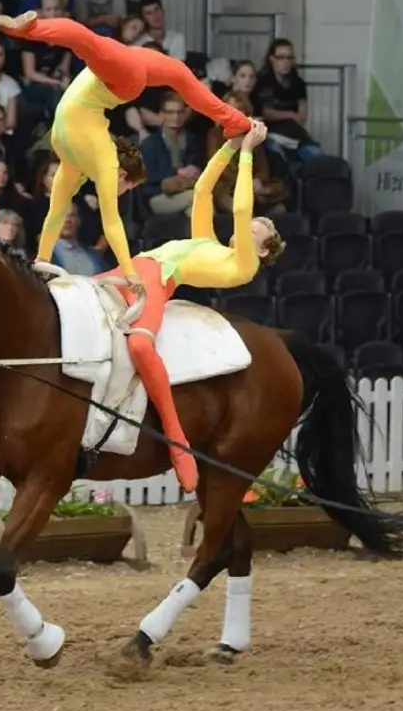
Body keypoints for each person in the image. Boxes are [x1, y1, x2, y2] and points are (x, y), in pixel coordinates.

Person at [0, 10, 252, 291]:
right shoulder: (103, 159)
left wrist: (42, 259)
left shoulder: (73, 164)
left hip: (119, 73)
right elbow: (109, 221)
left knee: (175, 75)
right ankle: (30, 29)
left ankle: (236, 121)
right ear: (123, 174)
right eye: (127, 188)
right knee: (96, 45)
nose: (122, 192)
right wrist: (128, 272)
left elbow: (57, 213)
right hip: (122, 74)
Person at [96, 120, 282, 492]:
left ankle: (177, 441)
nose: (243, 230)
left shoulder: (243, 264)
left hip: (155, 282)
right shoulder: (209, 242)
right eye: (248, 229)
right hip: (134, 267)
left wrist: (246, 154)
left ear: (262, 250)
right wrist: (229, 147)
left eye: (253, 234)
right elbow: (202, 189)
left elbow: (242, 209)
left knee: (140, 344)